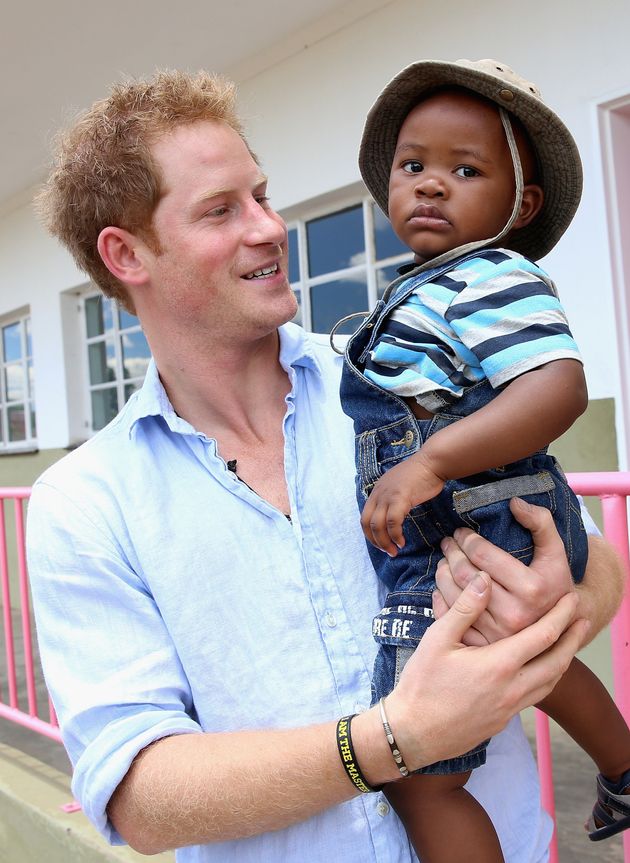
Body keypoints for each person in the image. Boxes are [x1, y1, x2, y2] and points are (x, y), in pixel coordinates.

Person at [25, 69, 624, 863]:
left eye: (263, 195)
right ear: (126, 253)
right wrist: (390, 740)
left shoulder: (406, 378)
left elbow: (598, 560)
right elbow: (141, 797)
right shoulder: (84, 501)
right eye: (221, 210)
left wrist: (560, 603)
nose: (272, 227)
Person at [339, 58, 630, 861]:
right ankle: (626, 764)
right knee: (535, 658)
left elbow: (558, 387)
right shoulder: (426, 288)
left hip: (476, 519)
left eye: (466, 170)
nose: (432, 185)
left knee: (419, 773)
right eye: (414, 165)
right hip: (476, 520)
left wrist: (430, 464)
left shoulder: (491, 273)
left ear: (520, 204)